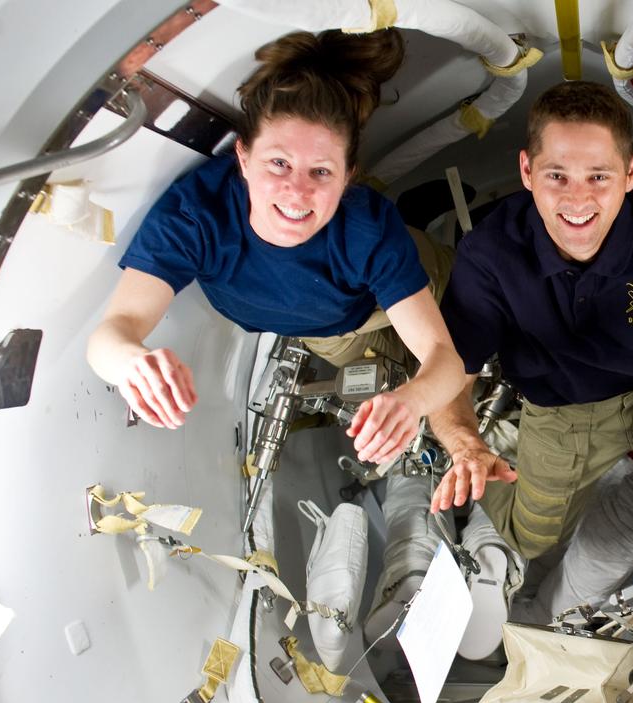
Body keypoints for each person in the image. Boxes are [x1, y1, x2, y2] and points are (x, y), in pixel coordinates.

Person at [86, 29, 463, 465]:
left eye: (321, 172)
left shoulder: (369, 230)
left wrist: (416, 400)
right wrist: (131, 363)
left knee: (465, 307)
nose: (297, 191)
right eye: (279, 163)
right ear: (243, 159)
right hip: (327, 329)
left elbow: (443, 357)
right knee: (392, 370)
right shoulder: (196, 216)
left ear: (347, 177)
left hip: (404, 282)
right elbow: (114, 331)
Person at [428, 81, 633, 561]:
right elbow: (449, 378)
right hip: (562, 418)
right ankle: (493, 448)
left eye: (598, 177)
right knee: (530, 542)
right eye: (557, 176)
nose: (578, 200)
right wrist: (466, 447)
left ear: (630, 173)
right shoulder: (491, 252)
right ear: (526, 171)